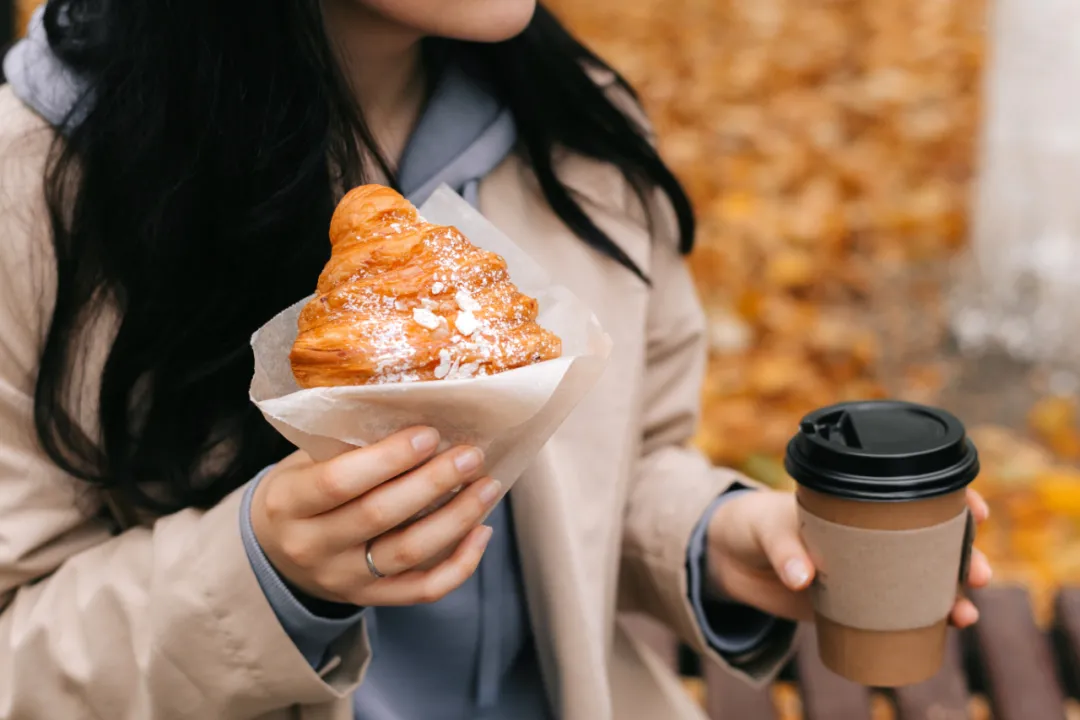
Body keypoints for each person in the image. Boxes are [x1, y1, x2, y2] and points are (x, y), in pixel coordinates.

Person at [0, 1, 992, 719]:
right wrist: (264, 573)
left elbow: (620, 462)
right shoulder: (36, 191)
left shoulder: (579, 133)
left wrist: (719, 537)